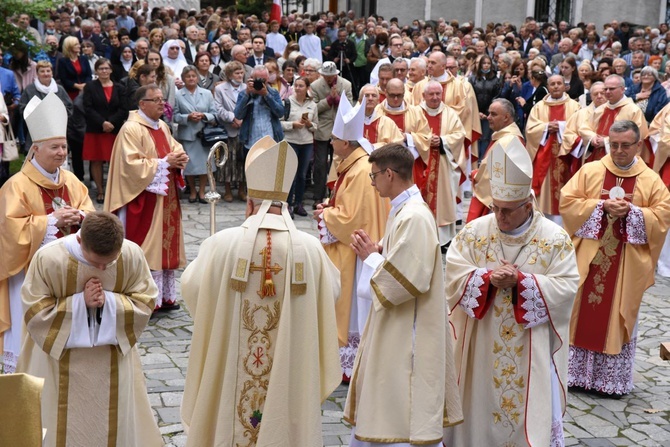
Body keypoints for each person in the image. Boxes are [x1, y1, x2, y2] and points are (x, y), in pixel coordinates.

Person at [181, 135, 341, 446]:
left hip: (231, 362)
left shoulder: (221, 244)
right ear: (285, 202)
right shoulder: (309, 249)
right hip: (288, 360)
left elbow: (192, 288)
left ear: (250, 203)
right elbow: (331, 293)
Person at [444, 111, 579, 447]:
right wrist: (486, 278)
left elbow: (566, 287)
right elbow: (453, 273)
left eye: (508, 210)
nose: (499, 217)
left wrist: (523, 282)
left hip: (530, 347)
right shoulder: (476, 231)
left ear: (528, 204)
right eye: (495, 208)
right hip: (479, 347)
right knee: (477, 405)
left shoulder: (554, 238)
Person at [344, 143, 463, 446]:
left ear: (388, 174)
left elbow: (408, 280)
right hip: (397, 324)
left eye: (374, 177)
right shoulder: (403, 210)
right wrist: (380, 249)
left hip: (409, 332)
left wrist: (371, 257)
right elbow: (401, 256)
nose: (372, 183)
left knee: (401, 409)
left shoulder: (414, 217)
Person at [16, 211, 162, 446]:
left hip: (113, 360)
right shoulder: (49, 259)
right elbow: (34, 311)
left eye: (110, 262)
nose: (103, 269)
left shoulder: (131, 254)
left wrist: (110, 302)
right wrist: (79, 304)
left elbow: (145, 301)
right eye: (96, 262)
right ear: (80, 239)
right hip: (58, 364)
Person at [560, 120, 670, 397]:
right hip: (589, 257)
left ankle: (610, 382)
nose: (619, 151)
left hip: (626, 265)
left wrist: (633, 213)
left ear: (638, 146)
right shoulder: (592, 170)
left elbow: (662, 215)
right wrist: (600, 206)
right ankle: (576, 375)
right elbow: (568, 201)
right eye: (614, 144)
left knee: (617, 315)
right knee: (580, 311)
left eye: (625, 145)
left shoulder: (649, 180)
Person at [0, 92, 94, 374]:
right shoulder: (16, 185)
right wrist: (50, 220)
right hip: (27, 273)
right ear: (36, 150)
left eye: (64, 147)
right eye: (55, 147)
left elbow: (91, 212)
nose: (62, 153)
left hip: (69, 271)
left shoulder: (72, 181)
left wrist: (81, 216)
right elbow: (9, 230)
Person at [314, 97, 389, 381]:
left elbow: (351, 220)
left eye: (333, 139)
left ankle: (350, 363)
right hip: (358, 246)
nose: (330, 142)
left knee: (354, 309)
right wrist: (330, 208)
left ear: (346, 143)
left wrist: (325, 217)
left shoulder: (358, 171)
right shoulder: (355, 164)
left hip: (356, 251)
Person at [104, 84, 189, 312]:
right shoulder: (131, 129)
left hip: (165, 197)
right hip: (143, 198)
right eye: (157, 100)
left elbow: (174, 148)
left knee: (165, 244)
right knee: (147, 247)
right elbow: (129, 166)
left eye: (163, 99)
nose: (163, 103)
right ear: (143, 104)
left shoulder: (161, 125)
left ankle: (164, 298)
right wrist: (164, 163)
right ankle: (145, 298)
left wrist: (179, 157)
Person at [524, 74, 580, 222]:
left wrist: (561, 126)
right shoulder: (539, 107)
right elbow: (530, 130)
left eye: (559, 83)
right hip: (546, 159)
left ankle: (564, 223)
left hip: (566, 157)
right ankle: (544, 221)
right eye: (552, 84)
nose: (555, 86)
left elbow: (580, 128)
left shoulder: (575, 106)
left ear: (565, 86)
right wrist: (546, 126)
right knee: (545, 193)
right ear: (548, 87)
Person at [419, 80, 467, 245]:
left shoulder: (450, 113)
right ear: (423, 95)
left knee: (443, 202)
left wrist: (442, 140)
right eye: (431, 94)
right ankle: (421, 237)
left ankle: (443, 240)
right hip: (420, 165)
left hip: (443, 163)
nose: (434, 97)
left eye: (438, 94)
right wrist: (425, 140)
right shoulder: (416, 112)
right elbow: (409, 133)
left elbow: (459, 134)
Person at [468, 98, 525, 222]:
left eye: (493, 114)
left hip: (500, 205)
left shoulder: (508, 141)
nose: (488, 117)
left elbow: (497, 174)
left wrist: (477, 175)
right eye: (489, 113)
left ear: (506, 117)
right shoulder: (504, 136)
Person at [83, 58, 128, 204]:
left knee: (114, 160)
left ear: (111, 70)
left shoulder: (119, 87)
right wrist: (102, 122)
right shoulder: (90, 87)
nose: (104, 71)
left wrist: (111, 122)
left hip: (114, 129)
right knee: (96, 160)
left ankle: (113, 190)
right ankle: (100, 191)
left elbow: (123, 108)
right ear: (96, 71)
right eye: (101, 68)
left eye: (106, 68)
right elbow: (88, 108)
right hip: (96, 129)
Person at [578, 75, 648, 165]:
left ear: (622, 89)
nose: (607, 92)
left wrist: (606, 142)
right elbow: (584, 127)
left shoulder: (633, 110)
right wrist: (593, 137)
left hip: (620, 157)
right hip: (596, 158)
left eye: (611, 89)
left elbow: (638, 136)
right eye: (605, 89)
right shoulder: (600, 109)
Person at [310, 61, 353, 206]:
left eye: (331, 76)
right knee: (320, 165)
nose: (328, 78)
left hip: (340, 131)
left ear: (336, 74)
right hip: (323, 130)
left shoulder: (346, 85)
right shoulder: (315, 86)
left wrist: (339, 100)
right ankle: (318, 195)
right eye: (326, 76)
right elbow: (313, 108)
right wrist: (328, 100)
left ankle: (335, 195)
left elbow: (350, 108)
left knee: (337, 164)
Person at [174, 65, 218, 204]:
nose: (191, 79)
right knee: (189, 165)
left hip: (204, 134)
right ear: (183, 79)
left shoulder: (206, 93)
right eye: (188, 76)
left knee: (205, 164)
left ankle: (202, 191)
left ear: (197, 78)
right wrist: (187, 117)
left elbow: (214, 114)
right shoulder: (178, 95)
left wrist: (204, 115)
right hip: (188, 134)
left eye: (193, 76)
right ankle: (192, 190)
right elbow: (174, 116)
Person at [280, 77, 317, 216]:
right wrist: (292, 124)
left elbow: (316, 126)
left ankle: (299, 203)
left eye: (301, 85)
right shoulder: (287, 102)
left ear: (307, 87)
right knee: (290, 174)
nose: (298, 88)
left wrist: (309, 124)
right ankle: (287, 203)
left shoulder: (313, 104)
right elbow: (279, 123)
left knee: (302, 175)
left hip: (306, 142)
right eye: (296, 85)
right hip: (291, 141)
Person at [18, 60, 73, 150]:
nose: (46, 74)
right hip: (37, 131)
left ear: (52, 72)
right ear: (37, 73)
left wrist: (57, 110)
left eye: (48, 71)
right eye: (42, 71)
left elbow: (69, 108)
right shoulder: (30, 89)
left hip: (57, 131)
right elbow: (22, 108)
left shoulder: (59, 89)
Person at [214, 61, 247, 202]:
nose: (240, 75)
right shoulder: (221, 89)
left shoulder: (246, 88)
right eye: (236, 73)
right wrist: (233, 118)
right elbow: (218, 108)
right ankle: (227, 190)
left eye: (241, 73)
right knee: (227, 161)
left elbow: (250, 107)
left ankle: (241, 190)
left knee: (243, 161)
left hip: (244, 130)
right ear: (229, 75)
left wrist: (242, 120)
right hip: (228, 129)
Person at [469, 55, 501, 159]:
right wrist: (477, 112)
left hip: (489, 113)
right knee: (476, 136)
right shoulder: (473, 78)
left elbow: (496, 96)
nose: (486, 65)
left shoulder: (495, 80)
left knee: (486, 137)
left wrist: (488, 112)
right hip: (475, 112)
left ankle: (484, 159)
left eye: (488, 63)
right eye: (484, 63)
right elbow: (470, 96)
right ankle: (475, 158)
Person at [359, 84, 404, 148]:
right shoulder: (352, 121)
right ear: (360, 100)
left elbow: (397, 145)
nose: (370, 98)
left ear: (378, 101)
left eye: (374, 96)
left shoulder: (387, 123)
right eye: (366, 96)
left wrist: (374, 147)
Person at [58, 36, 93, 101]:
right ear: (69, 46)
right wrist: (78, 86)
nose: (79, 46)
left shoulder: (83, 59)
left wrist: (84, 85)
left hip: (85, 90)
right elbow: (64, 79)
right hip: (71, 92)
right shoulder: (62, 61)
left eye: (79, 44)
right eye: (76, 44)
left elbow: (89, 75)